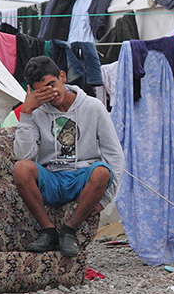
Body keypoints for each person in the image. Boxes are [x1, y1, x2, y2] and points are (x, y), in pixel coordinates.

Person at [12, 56, 124, 257]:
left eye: (52, 85)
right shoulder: (36, 113)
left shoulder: (93, 106)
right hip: (52, 178)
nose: (51, 93)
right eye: (42, 90)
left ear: (62, 77)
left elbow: (114, 153)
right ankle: (48, 230)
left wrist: (106, 199)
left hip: (82, 176)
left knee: (101, 171)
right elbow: (23, 156)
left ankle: (69, 230)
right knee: (20, 168)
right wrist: (27, 113)